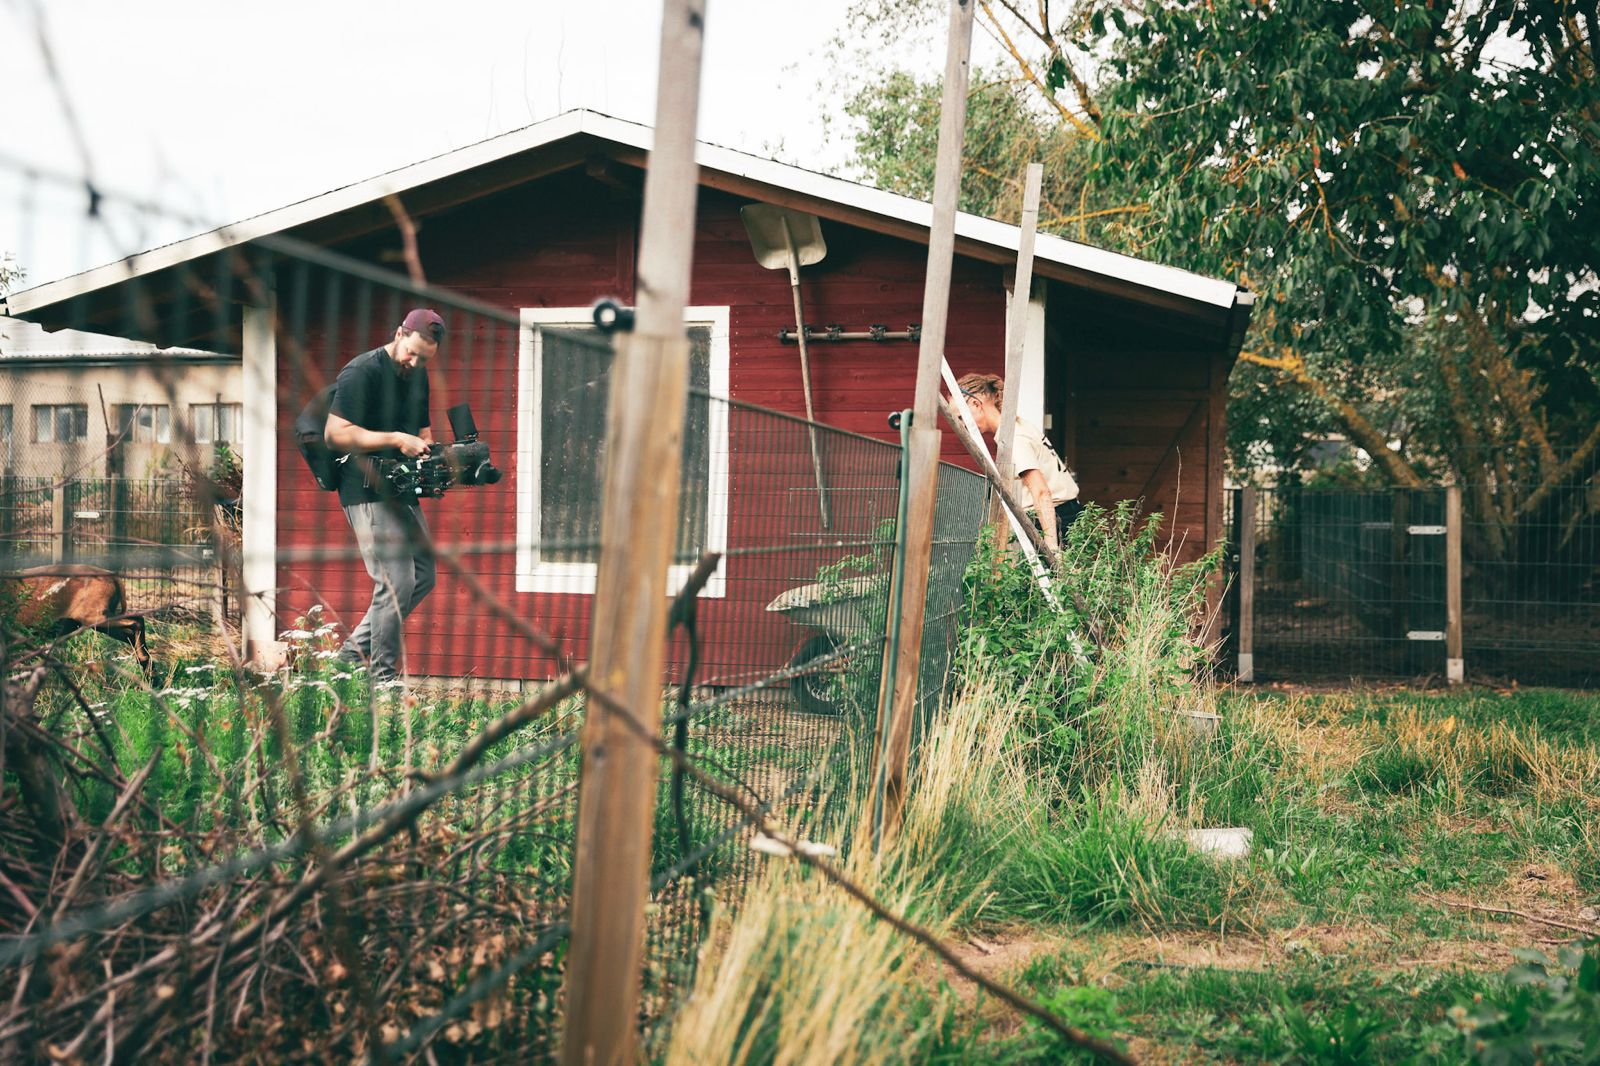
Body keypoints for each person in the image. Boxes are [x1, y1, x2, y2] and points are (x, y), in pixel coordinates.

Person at [324, 308, 443, 683]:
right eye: (412, 353)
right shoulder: (363, 372)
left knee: (423, 575)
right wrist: (394, 439)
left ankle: (347, 657)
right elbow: (335, 433)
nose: (415, 361)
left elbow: (423, 433)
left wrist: (435, 454)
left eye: (424, 358)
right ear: (398, 334)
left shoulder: (418, 376)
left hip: (402, 487)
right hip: (365, 487)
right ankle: (383, 680)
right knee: (396, 583)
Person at [957, 372, 1082, 551]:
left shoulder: (1014, 437)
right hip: (1065, 515)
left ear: (976, 404)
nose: (961, 424)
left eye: (961, 417)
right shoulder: (1018, 426)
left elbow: (1040, 491)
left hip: (1056, 521)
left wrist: (1052, 546)